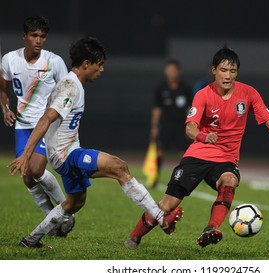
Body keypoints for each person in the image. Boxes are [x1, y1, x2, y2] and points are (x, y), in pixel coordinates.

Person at [8, 37, 183, 248]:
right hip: (66, 156)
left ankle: (31, 240)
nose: (101, 70)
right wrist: (27, 154)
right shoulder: (69, 87)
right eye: (99, 65)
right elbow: (46, 118)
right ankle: (161, 218)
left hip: (68, 152)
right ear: (86, 64)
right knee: (119, 167)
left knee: (75, 203)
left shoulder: (75, 85)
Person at [124, 46, 269, 249]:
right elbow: (190, 128)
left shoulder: (249, 93)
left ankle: (211, 229)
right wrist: (203, 136)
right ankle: (134, 237)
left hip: (226, 159)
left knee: (230, 180)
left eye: (233, 71)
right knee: (167, 205)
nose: (228, 76)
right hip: (198, 155)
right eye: (223, 70)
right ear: (214, 70)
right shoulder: (203, 94)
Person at [0, 15, 74, 236]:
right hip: (22, 125)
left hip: (46, 124)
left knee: (36, 169)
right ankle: (52, 220)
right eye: (34, 35)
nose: (38, 40)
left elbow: (68, 89)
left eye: (42, 36)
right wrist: (5, 110)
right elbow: (3, 89)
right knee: (26, 177)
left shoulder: (54, 62)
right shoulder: (9, 60)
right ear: (24, 36)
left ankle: (67, 212)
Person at [149, 59, 192, 188]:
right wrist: (155, 126)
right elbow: (157, 109)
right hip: (165, 125)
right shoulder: (161, 88)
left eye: (174, 70)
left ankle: (184, 180)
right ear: (165, 71)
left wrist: (191, 124)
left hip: (181, 126)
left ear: (179, 72)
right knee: (160, 152)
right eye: (169, 70)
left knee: (184, 153)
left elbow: (190, 108)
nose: (171, 73)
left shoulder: (186, 88)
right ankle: (155, 178)